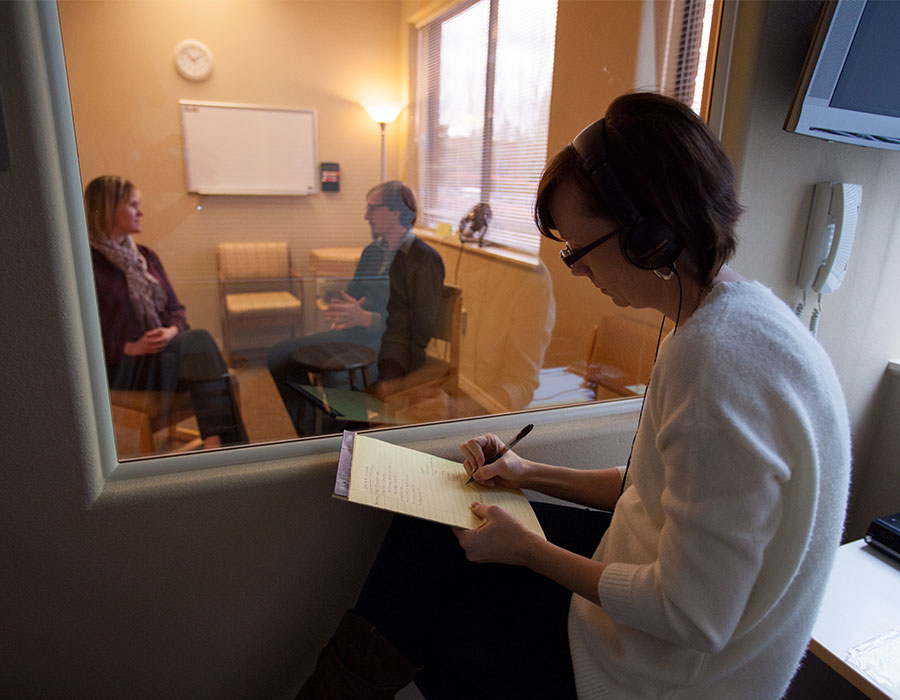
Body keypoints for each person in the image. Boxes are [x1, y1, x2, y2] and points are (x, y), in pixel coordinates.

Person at [296, 92, 851, 700]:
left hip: (661, 672)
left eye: (578, 251)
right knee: (432, 524)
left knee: (443, 628)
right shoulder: (737, 317)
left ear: (649, 234)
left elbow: (694, 617)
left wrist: (529, 551)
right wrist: (525, 471)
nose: (578, 271)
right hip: (648, 592)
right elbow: (652, 489)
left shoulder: (718, 361)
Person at [267, 181, 445, 435]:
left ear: (396, 211)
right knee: (280, 355)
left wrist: (366, 319)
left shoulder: (424, 258)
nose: (366, 216)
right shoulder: (372, 252)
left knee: (338, 375)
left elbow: (421, 325)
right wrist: (343, 308)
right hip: (358, 338)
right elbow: (354, 293)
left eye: (372, 209)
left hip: (396, 349)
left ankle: (342, 438)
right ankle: (313, 434)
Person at [85, 175, 247, 449]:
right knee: (204, 351)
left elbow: (177, 310)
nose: (142, 212)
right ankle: (225, 447)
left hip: (163, 357)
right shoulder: (87, 264)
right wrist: (129, 348)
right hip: (123, 367)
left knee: (201, 348)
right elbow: (81, 340)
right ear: (110, 207)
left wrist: (171, 330)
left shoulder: (146, 257)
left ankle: (216, 444)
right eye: (134, 205)